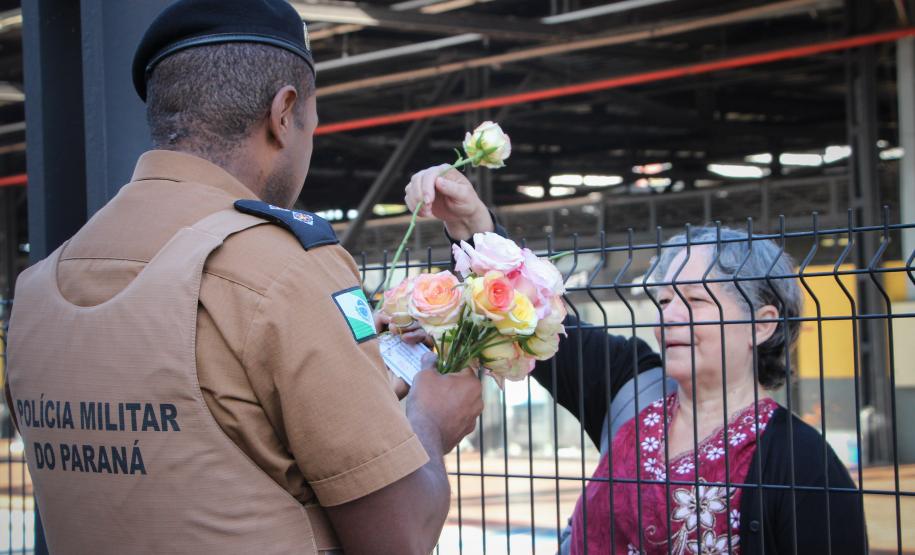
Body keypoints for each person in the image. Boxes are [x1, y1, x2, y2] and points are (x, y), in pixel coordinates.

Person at [4, 1, 482, 553]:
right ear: (284, 114)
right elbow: (401, 535)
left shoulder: (37, 291)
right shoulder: (282, 269)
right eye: (312, 125)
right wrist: (430, 421)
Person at [405, 166, 868, 554]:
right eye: (665, 300)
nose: (670, 316)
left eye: (695, 301)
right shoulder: (632, 389)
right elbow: (529, 313)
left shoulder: (804, 465)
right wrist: (472, 223)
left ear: (762, 324)